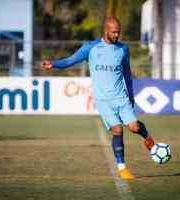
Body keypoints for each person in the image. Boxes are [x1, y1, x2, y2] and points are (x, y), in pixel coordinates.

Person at [41, 17, 155, 179]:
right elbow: (70, 61)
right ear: (106, 30)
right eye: (114, 32)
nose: (117, 35)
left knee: (134, 127)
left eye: (119, 32)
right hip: (103, 100)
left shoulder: (123, 49)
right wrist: (54, 64)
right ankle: (123, 169)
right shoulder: (90, 47)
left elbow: (127, 75)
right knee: (117, 130)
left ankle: (148, 138)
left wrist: (131, 95)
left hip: (121, 97)